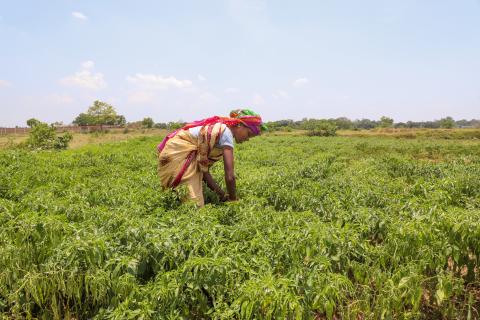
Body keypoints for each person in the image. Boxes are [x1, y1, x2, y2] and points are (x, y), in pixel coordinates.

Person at [157, 109, 267, 207]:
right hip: (178, 150)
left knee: (184, 196)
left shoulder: (221, 132)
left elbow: (204, 172)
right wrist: (233, 200)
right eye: (248, 134)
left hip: (173, 149)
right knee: (194, 204)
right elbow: (230, 176)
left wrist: (223, 195)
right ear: (239, 125)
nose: (247, 139)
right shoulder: (226, 133)